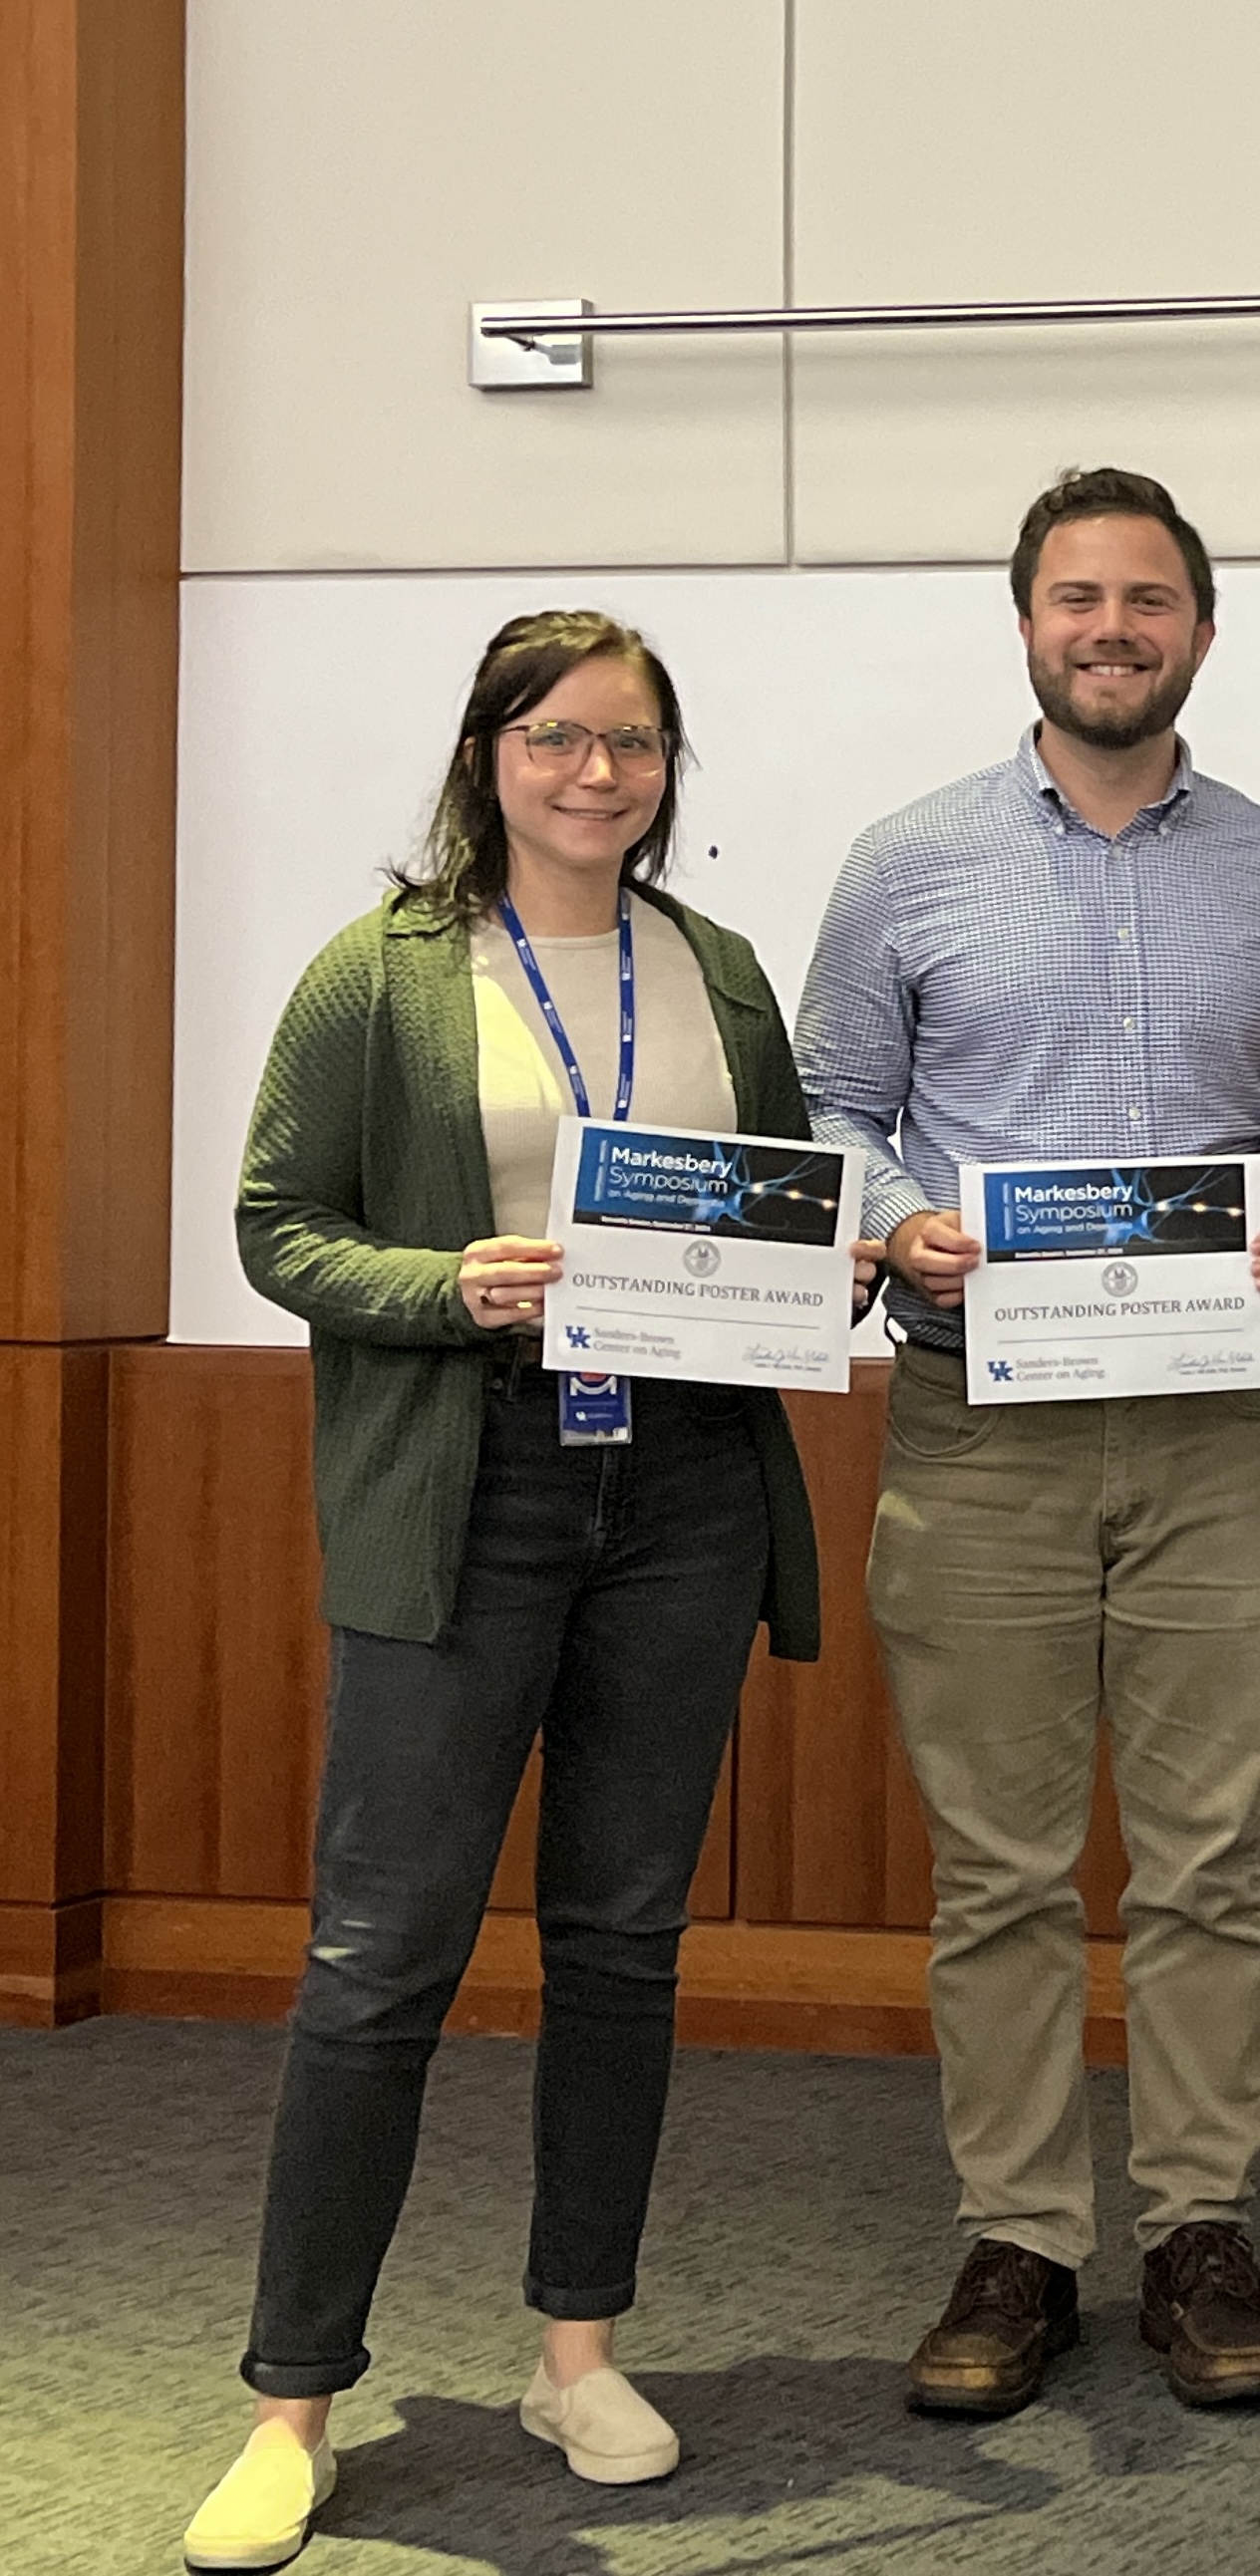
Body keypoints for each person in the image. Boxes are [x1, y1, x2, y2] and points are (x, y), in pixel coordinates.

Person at [186, 612, 859, 2571]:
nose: (597, 774)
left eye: (635, 745)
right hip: (458, 1494)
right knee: (378, 1958)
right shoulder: (380, 972)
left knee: (625, 1942)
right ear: (488, 754)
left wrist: (841, 1260)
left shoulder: (713, 970)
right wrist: (448, 1283)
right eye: (559, 739)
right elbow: (274, 1227)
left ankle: (581, 2349)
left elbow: (774, 1206)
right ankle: (290, 2403)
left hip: (676, 1498)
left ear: (668, 771)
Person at [795, 467, 1260, 2420]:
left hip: (1216, 1428)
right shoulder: (907, 862)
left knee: (1206, 1858)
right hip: (977, 1419)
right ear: (1025, 621)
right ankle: (1018, 2235)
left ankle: (1198, 2224)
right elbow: (835, 1099)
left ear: (1198, 626)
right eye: (1078, 598)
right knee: (999, 1866)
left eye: (1149, 600)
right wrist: (889, 1220)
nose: (1112, 627)